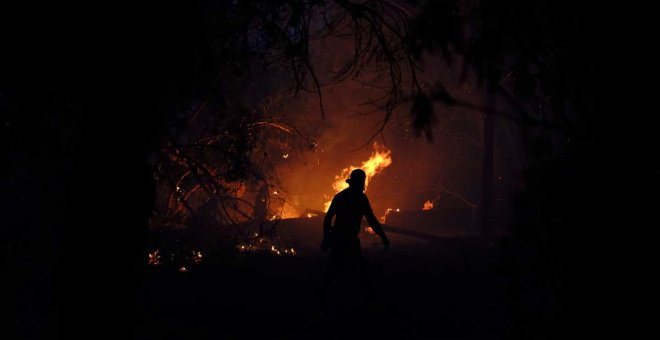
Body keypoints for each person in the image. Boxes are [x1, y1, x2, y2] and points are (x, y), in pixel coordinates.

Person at [318, 168, 389, 310]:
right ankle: (323, 300)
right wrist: (383, 237)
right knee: (352, 271)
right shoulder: (356, 198)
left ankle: (323, 299)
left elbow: (371, 219)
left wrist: (326, 238)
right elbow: (371, 220)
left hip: (344, 240)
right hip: (343, 240)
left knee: (345, 271)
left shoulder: (347, 197)